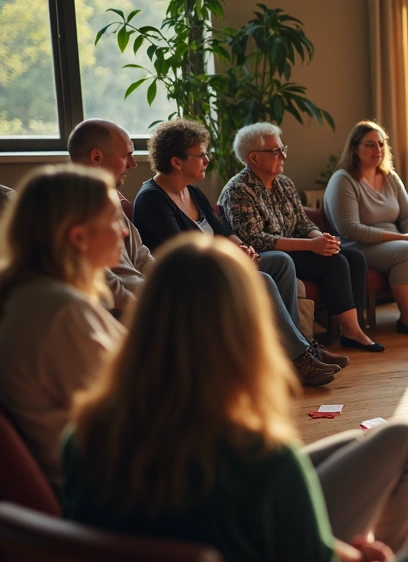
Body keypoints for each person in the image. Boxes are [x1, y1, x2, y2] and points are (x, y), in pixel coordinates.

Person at [61, 234, 408, 562]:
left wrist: (338, 560)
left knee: (366, 445)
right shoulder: (262, 463)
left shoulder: (82, 440)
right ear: (247, 334)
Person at [133, 119, 345, 386]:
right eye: (201, 155)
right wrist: (232, 257)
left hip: (214, 266)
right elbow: (184, 250)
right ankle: (298, 359)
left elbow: (222, 231)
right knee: (262, 280)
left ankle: (296, 349)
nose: (207, 160)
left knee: (281, 262)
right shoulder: (152, 199)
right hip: (189, 278)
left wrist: (241, 247)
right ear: (177, 162)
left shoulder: (193, 193)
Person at [0, 166, 126, 485]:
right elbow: (127, 415)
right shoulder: (60, 312)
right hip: (110, 487)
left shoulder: (42, 294)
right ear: (79, 237)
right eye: (115, 220)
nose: (124, 231)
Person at [220, 122, 383, 352]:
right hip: (270, 256)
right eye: (276, 151)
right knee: (335, 262)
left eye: (282, 149)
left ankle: (350, 327)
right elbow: (255, 239)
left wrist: (321, 238)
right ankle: (352, 332)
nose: (283, 155)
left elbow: (302, 222)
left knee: (354, 257)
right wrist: (311, 245)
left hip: (295, 250)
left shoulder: (284, 183)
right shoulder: (238, 190)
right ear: (253, 158)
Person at [325, 121, 408, 337]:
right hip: (358, 246)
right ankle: (407, 318)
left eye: (381, 144)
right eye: (370, 145)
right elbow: (350, 229)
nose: (377, 149)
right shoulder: (343, 180)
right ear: (355, 149)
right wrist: (403, 238)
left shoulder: (390, 177)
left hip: (396, 241)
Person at [66, 118, 152, 313]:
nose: (133, 164)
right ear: (96, 157)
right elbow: (101, 279)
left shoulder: (108, 193)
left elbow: (140, 254)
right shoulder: (71, 205)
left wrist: (166, 281)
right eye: (126, 156)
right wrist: (152, 305)